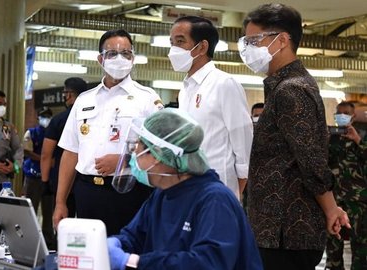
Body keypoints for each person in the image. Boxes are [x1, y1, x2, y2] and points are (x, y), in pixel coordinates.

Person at [240, 4, 350, 269]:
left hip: (286, 232)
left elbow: (311, 160)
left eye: (255, 40)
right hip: (274, 229)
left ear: (282, 40)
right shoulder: (283, 87)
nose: (247, 48)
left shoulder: (292, 90)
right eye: (246, 41)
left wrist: (331, 209)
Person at [106, 108, 263, 270]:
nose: (133, 160)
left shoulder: (215, 200)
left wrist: (134, 262)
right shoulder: (163, 193)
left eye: (137, 153)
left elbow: (208, 263)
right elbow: (134, 237)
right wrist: (116, 244)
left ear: (158, 156)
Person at [53, 29, 163, 236]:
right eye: (112, 53)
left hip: (129, 192)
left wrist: (125, 161)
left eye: (126, 53)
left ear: (133, 58)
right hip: (87, 192)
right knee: (90, 258)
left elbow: (159, 150)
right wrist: (60, 202)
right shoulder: (84, 100)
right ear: (100, 59)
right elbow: (70, 153)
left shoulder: (147, 98)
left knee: (126, 257)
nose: (119, 59)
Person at [169, 16, 253, 199]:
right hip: (188, 186)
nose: (173, 49)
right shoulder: (185, 89)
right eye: (172, 42)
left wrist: (233, 190)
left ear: (201, 47)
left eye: (180, 41)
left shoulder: (224, 83)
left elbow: (243, 142)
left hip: (218, 189)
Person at [326, 101, 367, 270]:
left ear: (353, 116)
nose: (342, 115)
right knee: (333, 245)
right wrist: (325, 140)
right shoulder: (329, 137)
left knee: (361, 245)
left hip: (358, 199)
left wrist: (358, 140)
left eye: (346, 112)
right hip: (334, 200)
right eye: (339, 112)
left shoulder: (363, 135)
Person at [41, 78, 88, 220]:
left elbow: (45, 154)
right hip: (87, 181)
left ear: (68, 94)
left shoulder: (59, 119)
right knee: (86, 224)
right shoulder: (91, 117)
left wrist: (44, 181)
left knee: (63, 224)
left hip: (62, 182)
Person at [0, 89, 23, 243]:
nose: (3, 107)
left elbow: (18, 148)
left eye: (4, 104)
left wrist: (14, 166)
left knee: (0, 217)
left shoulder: (8, 127)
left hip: (3, 182)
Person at [23, 106, 55, 248]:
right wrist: (44, 159)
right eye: (43, 116)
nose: (45, 119)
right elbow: (27, 150)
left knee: (49, 211)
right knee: (31, 210)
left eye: (48, 116)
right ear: (38, 117)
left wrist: (47, 160)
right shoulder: (31, 133)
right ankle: (30, 240)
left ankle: (49, 240)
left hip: (49, 177)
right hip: (33, 176)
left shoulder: (55, 133)